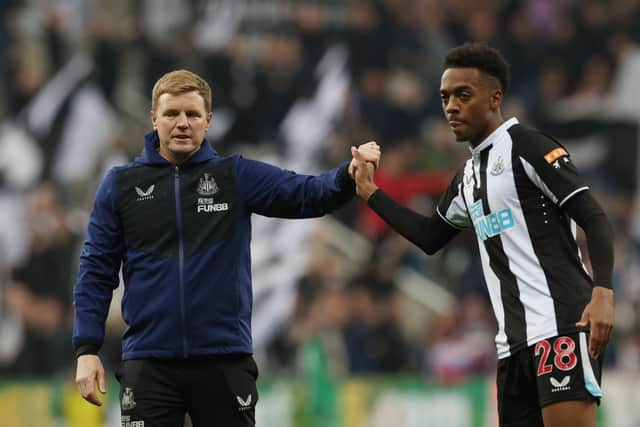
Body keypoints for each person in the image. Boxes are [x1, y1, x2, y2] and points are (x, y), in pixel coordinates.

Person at [72, 69, 380, 426]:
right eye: (172, 114)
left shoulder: (234, 176)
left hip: (223, 360)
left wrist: (347, 173)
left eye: (193, 114)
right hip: (149, 362)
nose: (182, 123)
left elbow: (307, 195)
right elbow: (95, 270)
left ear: (209, 121)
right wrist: (87, 349)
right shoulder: (120, 185)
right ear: (154, 119)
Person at [350, 42, 614, 427]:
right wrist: (371, 194)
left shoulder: (529, 148)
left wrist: (603, 292)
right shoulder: (468, 176)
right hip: (511, 348)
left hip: (561, 326)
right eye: (444, 97)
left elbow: (593, 216)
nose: (451, 107)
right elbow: (430, 236)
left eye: (463, 95)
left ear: (495, 98)